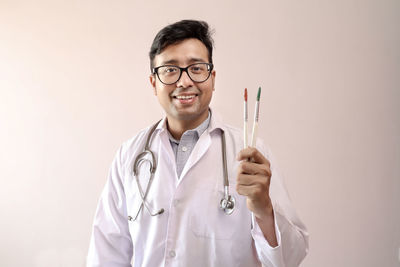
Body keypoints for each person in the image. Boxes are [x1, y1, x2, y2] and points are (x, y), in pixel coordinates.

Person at [87, 19, 309, 267]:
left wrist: (264, 209)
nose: (184, 81)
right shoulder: (129, 156)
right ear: (153, 83)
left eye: (196, 68)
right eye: (170, 70)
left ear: (212, 78)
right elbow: (105, 256)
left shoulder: (251, 154)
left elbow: (290, 259)